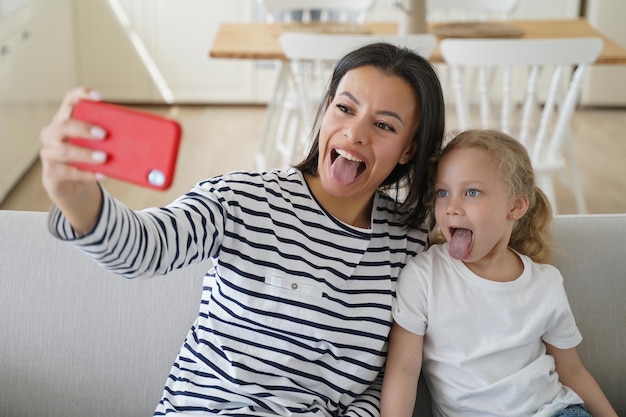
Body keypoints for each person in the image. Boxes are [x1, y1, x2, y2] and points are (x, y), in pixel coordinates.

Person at [39, 42, 445, 416]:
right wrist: (76, 197)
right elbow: (146, 248)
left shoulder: (407, 247)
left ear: (409, 148)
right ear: (326, 109)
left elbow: (385, 380)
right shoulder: (241, 198)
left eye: (385, 126)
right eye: (345, 108)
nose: (354, 133)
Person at [380, 129, 618, 417]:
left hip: (554, 411)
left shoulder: (545, 283)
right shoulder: (422, 276)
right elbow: (403, 370)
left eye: (471, 192)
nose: (452, 207)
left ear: (515, 206)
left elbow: (573, 371)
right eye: (443, 192)